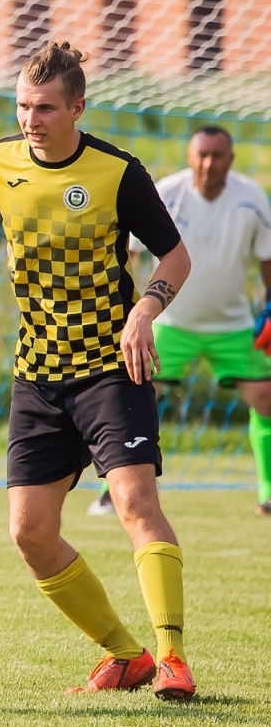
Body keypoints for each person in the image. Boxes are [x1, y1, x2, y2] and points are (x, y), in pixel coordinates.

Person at [0, 41, 196, 700]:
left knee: (134, 502)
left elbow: (175, 257)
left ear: (78, 107)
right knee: (30, 531)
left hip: (111, 369)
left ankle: (173, 656)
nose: (31, 119)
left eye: (45, 107)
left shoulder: (119, 172)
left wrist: (146, 308)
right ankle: (126, 656)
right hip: (38, 373)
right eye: (23, 106)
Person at [86, 125, 271, 518]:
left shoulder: (252, 198)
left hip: (233, 327)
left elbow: (267, 259)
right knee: (133, 395)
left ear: (230, 159)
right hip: (169, 324)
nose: (209, 163)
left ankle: (268, 493)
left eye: (217, 155)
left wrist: (269, 306)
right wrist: (128, 312)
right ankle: (112, 491)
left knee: (266, 396)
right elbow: (129, 255)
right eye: (201, 155)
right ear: (190, 157)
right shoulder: (166, 193)